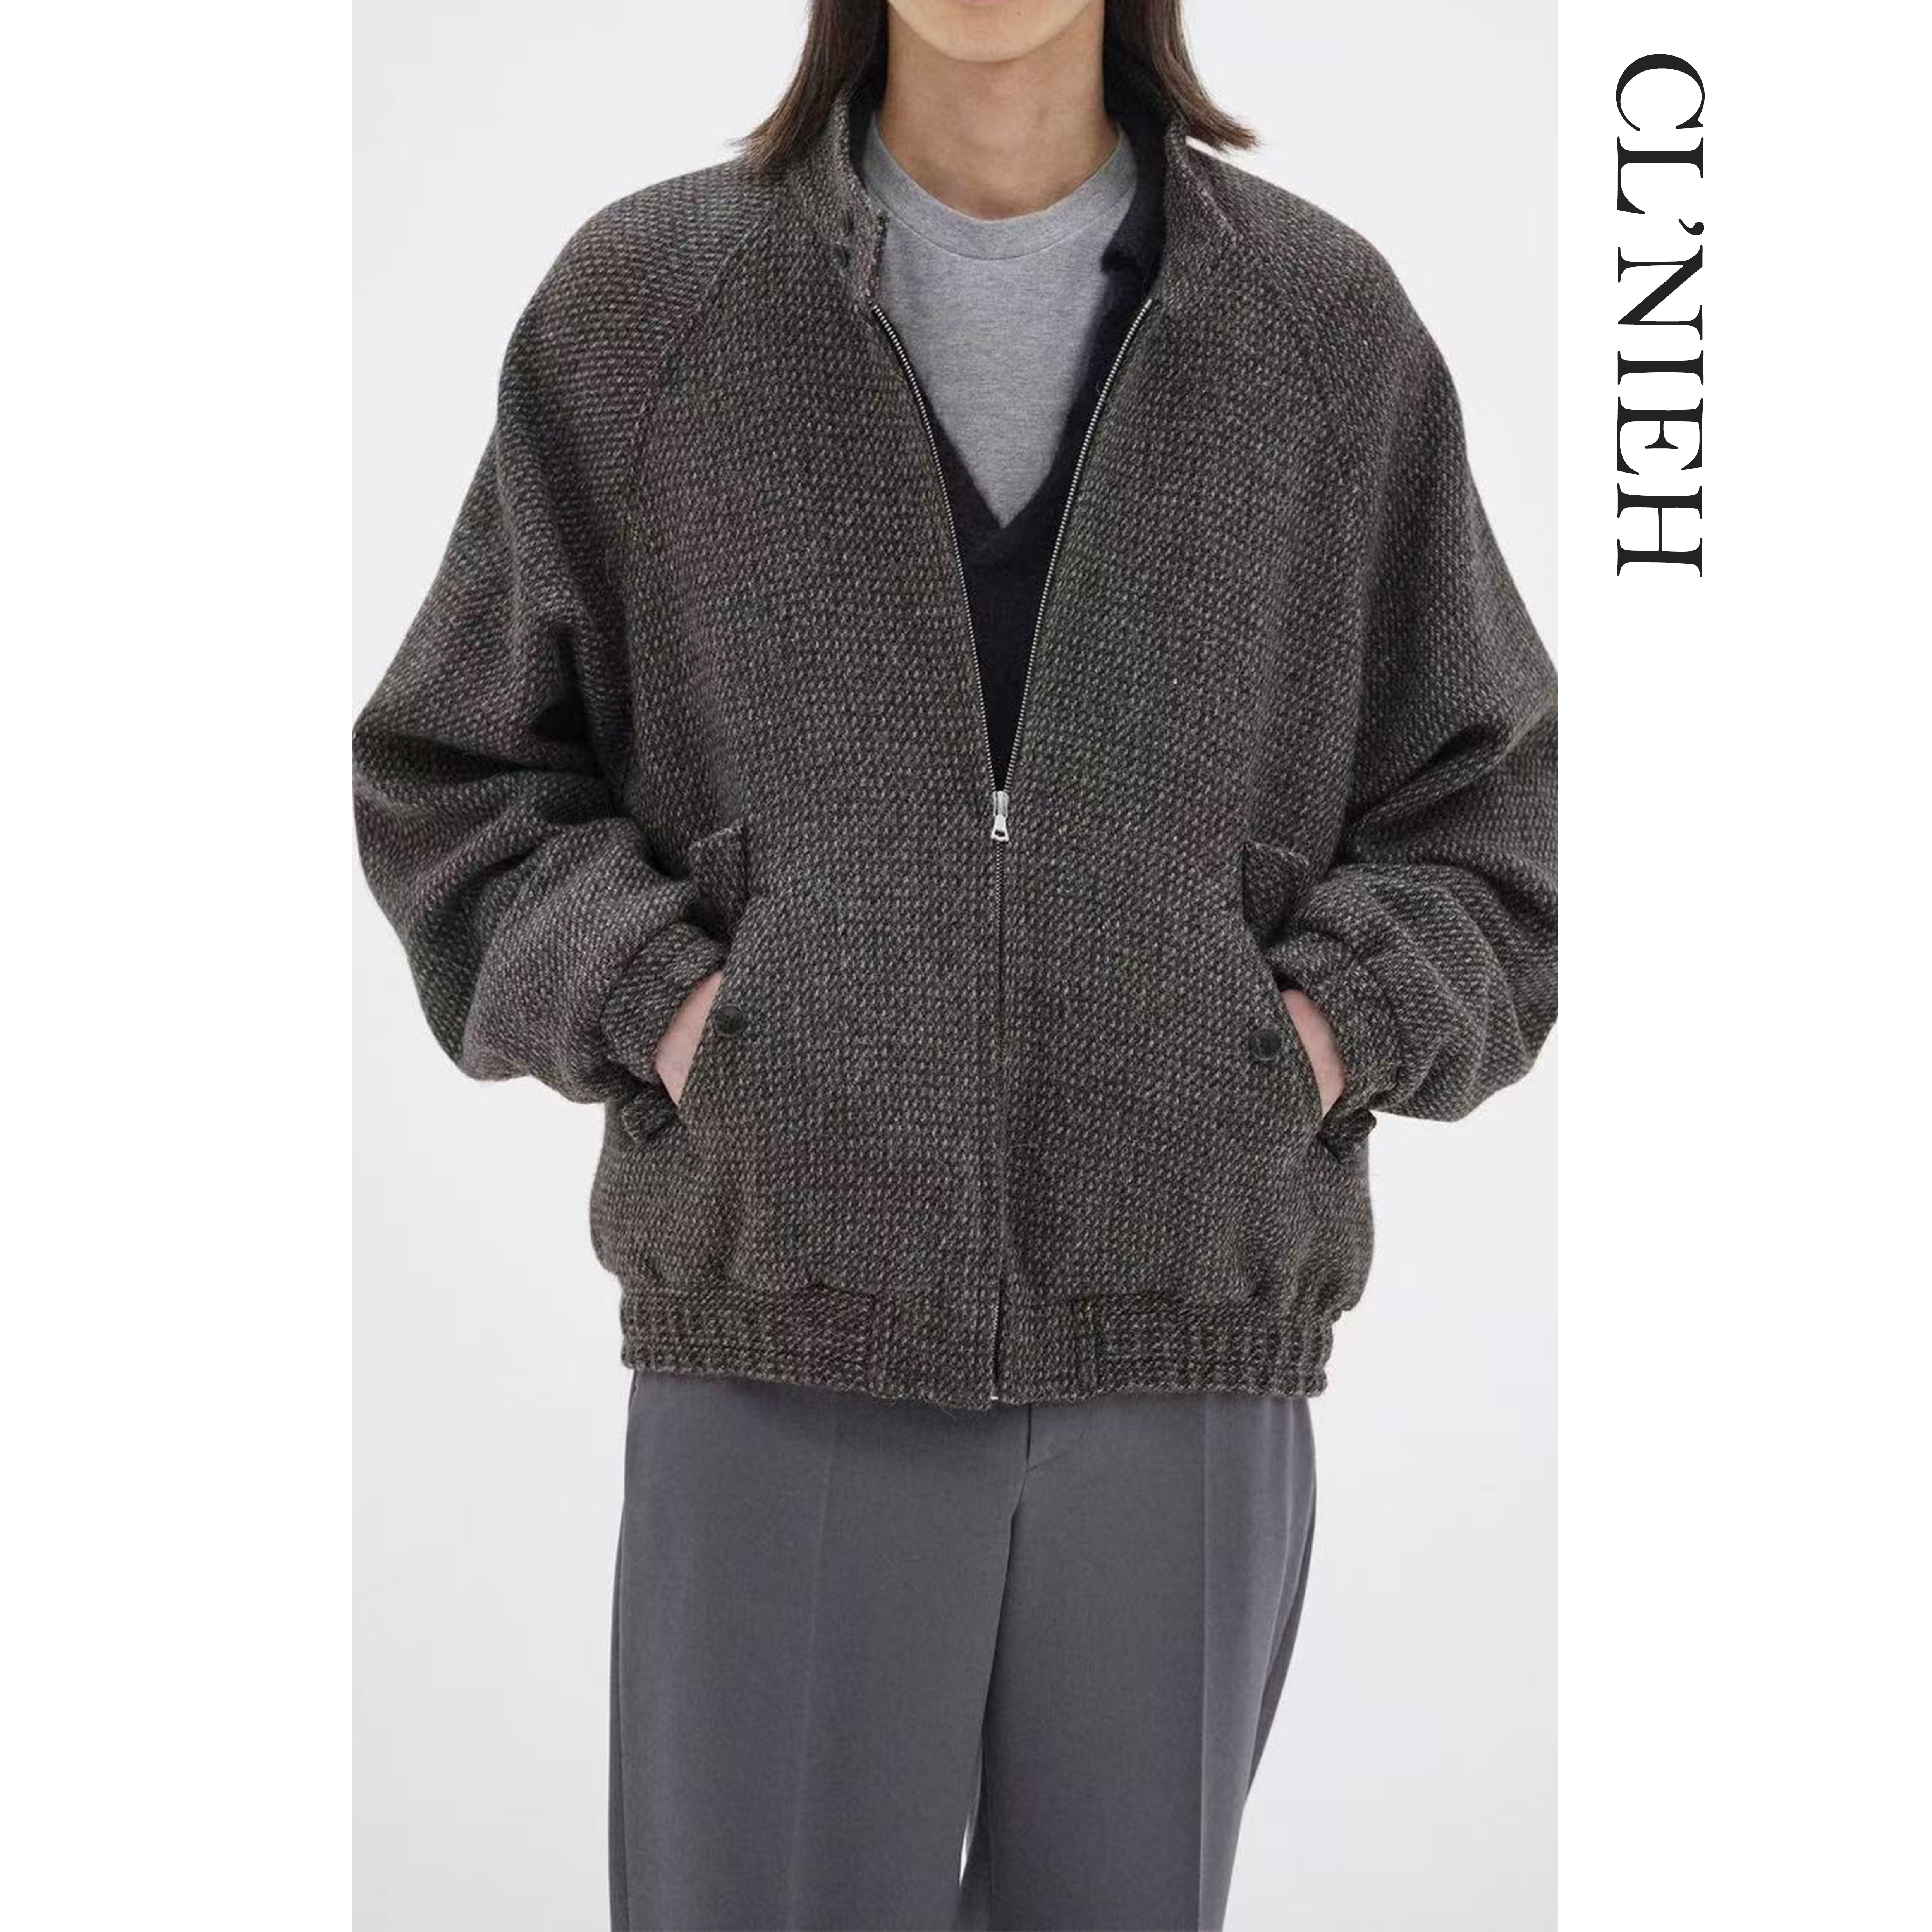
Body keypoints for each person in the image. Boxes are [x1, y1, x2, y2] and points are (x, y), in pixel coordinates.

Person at [353, 0, 1557, 1924]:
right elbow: (455, 771)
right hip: (778, 1340)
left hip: (1186, 1353)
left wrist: (1308, 1042)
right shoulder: (649, 308)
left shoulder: (1322, 336)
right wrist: (686, 1019)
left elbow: (1491, 815)